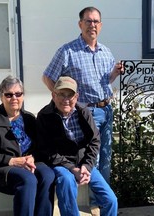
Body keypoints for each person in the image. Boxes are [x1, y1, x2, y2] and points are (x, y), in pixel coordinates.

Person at [42, 6, 123, 186]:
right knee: (93, 157)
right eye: (88, 21)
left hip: (106, 109)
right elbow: (47, 76)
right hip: (87, 112)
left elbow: (105, 81)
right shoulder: (68, 51)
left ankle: (104, 200)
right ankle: (94, 203)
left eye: (96, 21)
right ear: (80, 24)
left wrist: (115, 74)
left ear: (100, 25)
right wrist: (60, 100)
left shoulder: (106, 52)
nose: (92, 25)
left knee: (106, 157)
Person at [36, 76, 118, 216]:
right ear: (53, 95)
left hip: (84, 164)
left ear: (77, 96)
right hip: (61, 164)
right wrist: (72, 169)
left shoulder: (83, 112)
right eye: (62, 94)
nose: (66, 99)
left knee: (111, 200)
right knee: (66, 181)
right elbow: (47, 150)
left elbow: (95, 140)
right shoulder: (45, 116)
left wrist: (87, 166)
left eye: (70, 95)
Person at [0, 75, 55, 216]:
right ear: (1, 97)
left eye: (18, 94)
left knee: (48, 175)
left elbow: (40, 148)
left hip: (27, 164)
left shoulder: (29, 118)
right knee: (28, 178)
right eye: (9, 95)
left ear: (23, 96)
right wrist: (10, 160)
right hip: (0, 169)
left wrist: (32, 157)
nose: (14, 98)